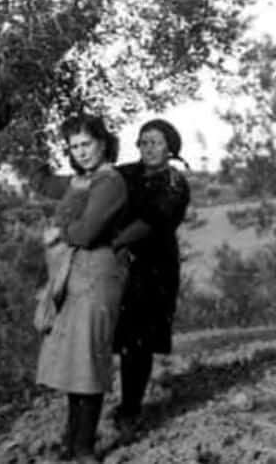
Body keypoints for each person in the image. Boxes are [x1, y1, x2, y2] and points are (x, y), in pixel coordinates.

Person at [35, 114, 130, 463]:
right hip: (75, 275)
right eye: (74, 146)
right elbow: (46, 185)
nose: (81, 152)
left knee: (88, 360)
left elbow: (88, 232)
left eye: (86, 144)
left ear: (102, 143)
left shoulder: (110, 182)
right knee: (74, 363)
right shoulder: (84, 180)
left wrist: (60, 233)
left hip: (97, 275)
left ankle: (84, 449)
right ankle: (72, 443)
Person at [110, 118, 191, 432]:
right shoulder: (126, 173)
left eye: (155, 142)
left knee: (138, 340)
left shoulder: (174, 183)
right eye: (143, 142)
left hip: (153, 268)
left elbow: (151, 222)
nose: (149, 148)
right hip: (120, 263)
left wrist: (114, 243)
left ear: (170, 147)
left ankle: (131, 410)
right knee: (120, 337)